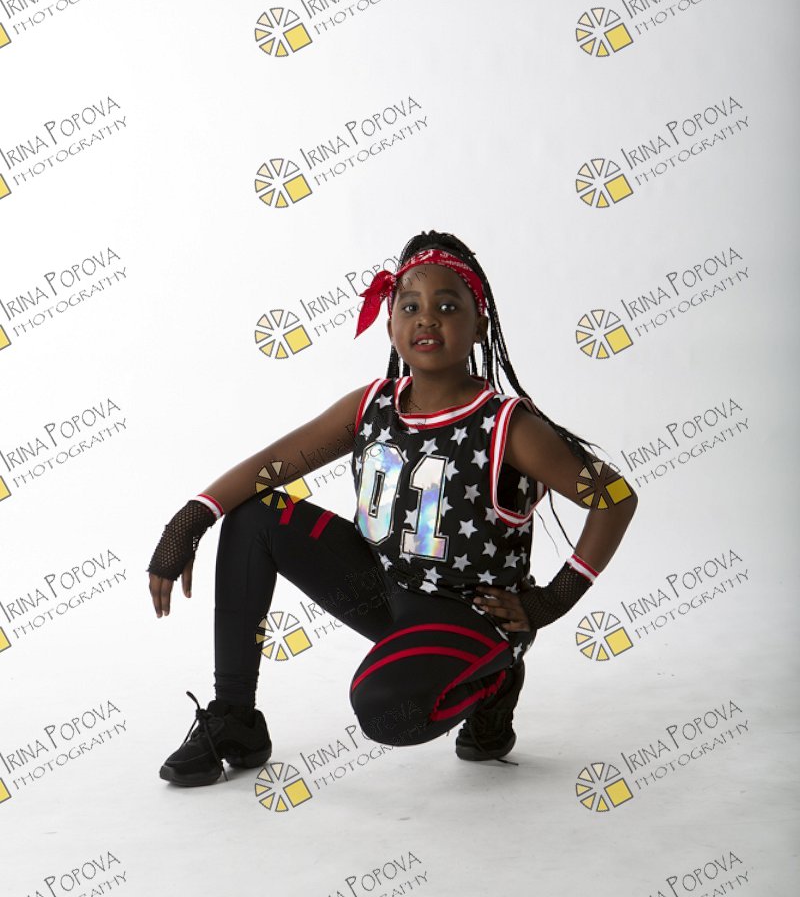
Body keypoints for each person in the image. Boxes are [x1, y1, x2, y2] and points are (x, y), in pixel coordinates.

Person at [147, 229, 637, 787]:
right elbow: (271, 465)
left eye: (447, 307)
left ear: (479, 326)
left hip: (471, 613)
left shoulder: (508, 425)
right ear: (390, 325)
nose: (427, 319)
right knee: (254, 514)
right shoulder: (371, 404)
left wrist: (551, 600)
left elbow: (615, 498)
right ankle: (235, 716)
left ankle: (494, 683)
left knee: (384, 709)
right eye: (410, 307)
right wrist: (189, 521)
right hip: (383, 590)